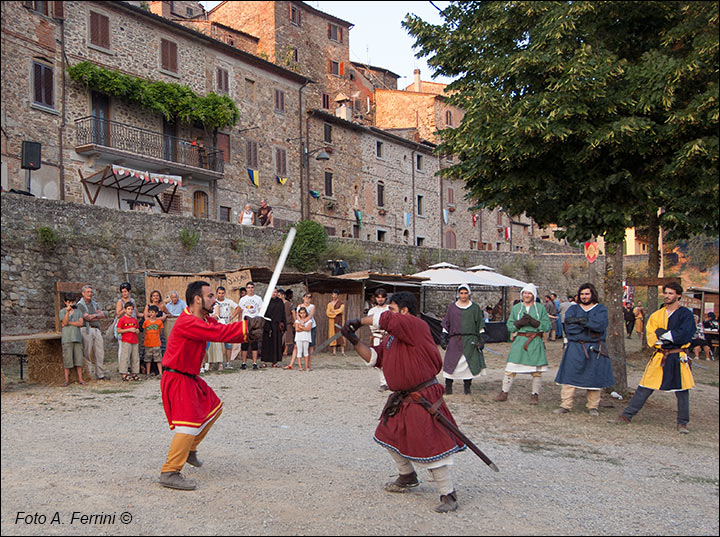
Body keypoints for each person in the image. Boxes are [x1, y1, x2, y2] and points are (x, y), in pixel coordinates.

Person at [340, 291, 466, 513]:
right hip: (402, 398)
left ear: (405, 312)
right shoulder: (392, 339)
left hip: (422, 398)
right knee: (387, 434)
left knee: (428, 444)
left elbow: (387, 320)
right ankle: (407, 476)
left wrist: (359, 321)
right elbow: (374, 358)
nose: (389, 313)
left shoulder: (416, 327)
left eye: (393, 308)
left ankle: (448, 494)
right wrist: (354, 340)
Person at [158, 281, 264, 490]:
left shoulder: (203, 318)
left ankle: (189, 449)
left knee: (213, 408)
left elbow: (221, 329)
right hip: (177, 378)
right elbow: (219, 334)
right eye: (210, 296)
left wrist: (248, 329)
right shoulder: (188, 321)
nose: (214, 300)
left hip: (189, 377)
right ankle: (170, 471)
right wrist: (247, 328)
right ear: (198, 299)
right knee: (187, 425)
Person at [617, 282, 695, 434]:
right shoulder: (657, 315)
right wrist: (664, 337)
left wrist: (666, 335)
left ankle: (682, 423)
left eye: (671, 293)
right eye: (665, 293)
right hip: (660, 355)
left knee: (682, 390)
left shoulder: (686, 314)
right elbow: (651, 334)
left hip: (678, 355)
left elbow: (685, 333)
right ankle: (627, 415)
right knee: (645, 386)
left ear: (678, 295)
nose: (667, 296)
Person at [553, 283, 614, 416]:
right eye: (582, 294)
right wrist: (588, 326)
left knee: (594, 377)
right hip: (575, 346)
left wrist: (582, 322)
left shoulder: (600, 310)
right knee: (569, 376)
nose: (584, 296)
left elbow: (600, 326)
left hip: (594, 347)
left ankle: (593, 406)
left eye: (587, 294)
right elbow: (569, 328)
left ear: (592, 294)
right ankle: (565, 405)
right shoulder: (573, 310)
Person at [495, 283, 551, 404]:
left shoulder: (540, 308)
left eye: (529, 293)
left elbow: (547, 325)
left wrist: (536, 323)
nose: (527, 295)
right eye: (525, 293)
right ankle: (504, 392)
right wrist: (518, 323)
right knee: (510, 368)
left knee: (536, 371)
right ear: (522, 294)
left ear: (533, 295)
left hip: (535, 340)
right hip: (520, 341)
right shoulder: (516, 308)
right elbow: (510, 326)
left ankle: (534, 395)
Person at [440, 284, 487, 396]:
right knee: (451, 363)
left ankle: (467, 388)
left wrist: (481, 338)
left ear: (469, 294)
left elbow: (480, 324)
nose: (463, 295)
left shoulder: (475, 307)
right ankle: (448, 387)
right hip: (455, 340)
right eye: (461, 293)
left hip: (470, 340)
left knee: (468, 365)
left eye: (465, 293)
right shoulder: (452, 307)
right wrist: (443, 336)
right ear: (458, 294)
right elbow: (447, 322)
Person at [76, 285, 108, 380]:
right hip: (86, 329)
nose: (90, 294)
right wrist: (97, 315)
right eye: (88, 292)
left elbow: (103, 315)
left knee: (99, 352)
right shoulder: (80, 305)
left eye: (91, 292)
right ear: (83, 293)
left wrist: (93, 315)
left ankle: (100, 374)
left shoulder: (94, 303)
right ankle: (88, 374)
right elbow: (87, 317)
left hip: (96, 328)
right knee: (87, 352)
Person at [59, 293, 85, 386]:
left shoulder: (78, 312)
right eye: (68, 302)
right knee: (67, 360)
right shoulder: (62, 311)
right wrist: (67, 312)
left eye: (72, 302)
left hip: (77, 338)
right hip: (67, 338)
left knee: (78, 360)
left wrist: (69, 322)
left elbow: (80, 323)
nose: (70, 304)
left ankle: (81, 379)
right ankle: (66, 380)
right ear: (65, 302)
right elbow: (64, 322)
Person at [212, 286, 239, 370]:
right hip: (216, 326)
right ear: (217, 293)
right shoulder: (214, 302)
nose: (221, 295)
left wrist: (232, 316)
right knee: (216, 345)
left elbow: (238, 308)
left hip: (226, 324)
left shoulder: (228, 301)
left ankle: (228, 362)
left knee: (228, 345)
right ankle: (215, 363)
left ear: (225, 293)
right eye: (219, 293)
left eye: (222, 293)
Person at [367, 288, 390, 391]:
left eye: (382, 297)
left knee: (391, 360)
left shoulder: (390, 309)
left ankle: (393, 382)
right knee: (380, 361)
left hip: (389, 337)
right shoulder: (372, 311)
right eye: (378, 297)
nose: (380, 299)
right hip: (377, 337)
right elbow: (371, 324)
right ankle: (383, 383)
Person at [238, 281, 263, 369]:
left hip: (255, 323)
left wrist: (259, 322)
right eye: (248, 287)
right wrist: (239, 323)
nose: (250, 289)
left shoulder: (258, 299)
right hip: (245, 323)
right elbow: (240, 312)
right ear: (246, 289)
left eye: (252, 287)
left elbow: (260, 311)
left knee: (254, 344)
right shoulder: (243, 299)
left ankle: (254, 363)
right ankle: (244, 363)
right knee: (244, 344)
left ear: (254, 288)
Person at [260, 287, 286, 368]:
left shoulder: (280, 302)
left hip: (276, 326)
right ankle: (264, 362)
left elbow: (283, 313)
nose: (273, 293)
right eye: (272, 292)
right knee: (266, 344)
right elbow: (263, 313)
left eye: (275, 292)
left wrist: (283, 324)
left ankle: (274, 362)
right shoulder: (266, 301)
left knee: (276, 344)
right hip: (267, 325)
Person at [117, 302, 141, 382]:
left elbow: (137, 328)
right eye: (128, 309)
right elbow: (119, 330)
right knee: (125, 357)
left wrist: (137, 330)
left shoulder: (134, 319)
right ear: (125, 310)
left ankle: (134, 373)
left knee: (135, 357)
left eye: (131, 309)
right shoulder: (122, 319)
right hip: (126, 340)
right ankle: (124, 373)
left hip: (134, 340)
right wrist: (129, 330)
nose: (130, 311)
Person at [143, 305, 164, 376]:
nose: (151, 314)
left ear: (156, 313)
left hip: (156, 343)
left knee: (158, 359)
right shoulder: (146, 322)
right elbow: (145, 331)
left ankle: (160, 373)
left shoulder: (159, 322)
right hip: (148, 343)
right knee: (148, 359)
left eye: (153, 312)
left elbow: (160, 331)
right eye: (150, 312)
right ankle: (148, 373)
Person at [325, 289, 346, 356]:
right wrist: (334, 314)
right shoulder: (329, 304)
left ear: (338, 295)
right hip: (332, 321)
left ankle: (342, 352)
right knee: (333, 335)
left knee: (341, 335)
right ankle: (334, 352)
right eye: (333, 294)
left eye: (336, 295)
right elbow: (328, 313)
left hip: (340, 321)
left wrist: (333, 312)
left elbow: (341, 310)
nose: (334, 296)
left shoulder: (341, 303)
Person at [279, 289, 295, 359]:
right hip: (279, 323)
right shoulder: (277, 304)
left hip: (288, 322)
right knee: (280, 338)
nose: (278, 297)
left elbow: (293, 312)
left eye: (279, 295)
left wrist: (295, 321)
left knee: (287, 338)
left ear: (283, 295)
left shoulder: (289, 304)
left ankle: (285, 351)